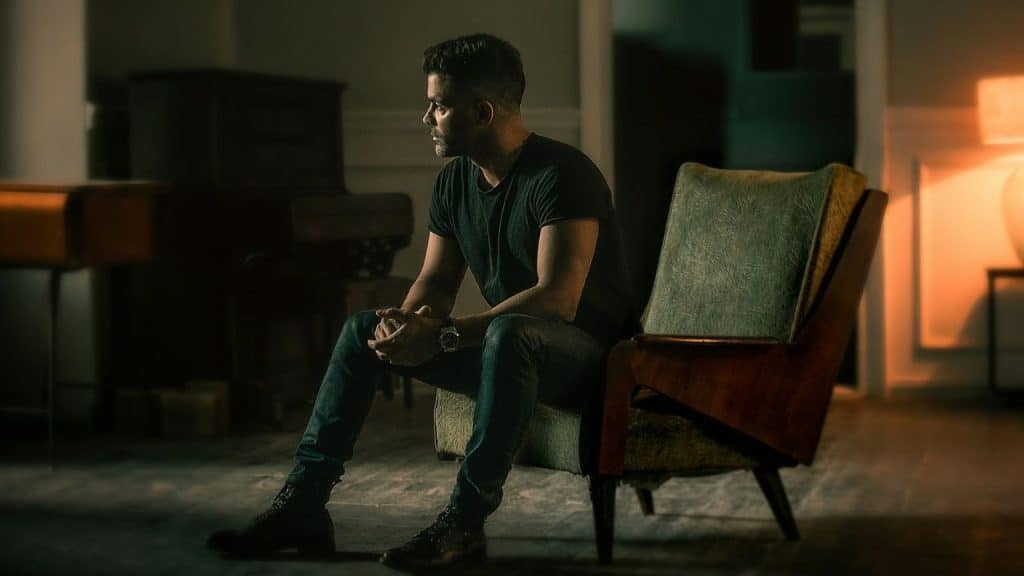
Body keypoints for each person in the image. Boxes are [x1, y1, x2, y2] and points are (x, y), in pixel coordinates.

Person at [208, 33, 635, 570]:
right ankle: (303, 505)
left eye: (439, 105)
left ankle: (464, 522)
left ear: (482, 112)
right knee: (361, 328)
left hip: (592, 361)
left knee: (511, 334)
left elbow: (558, 300)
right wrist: (403, 324)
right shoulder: (454, 181)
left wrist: (447, 333)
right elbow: (435, 282)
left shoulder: (562, 174)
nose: (426, 117)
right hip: (509, 350)